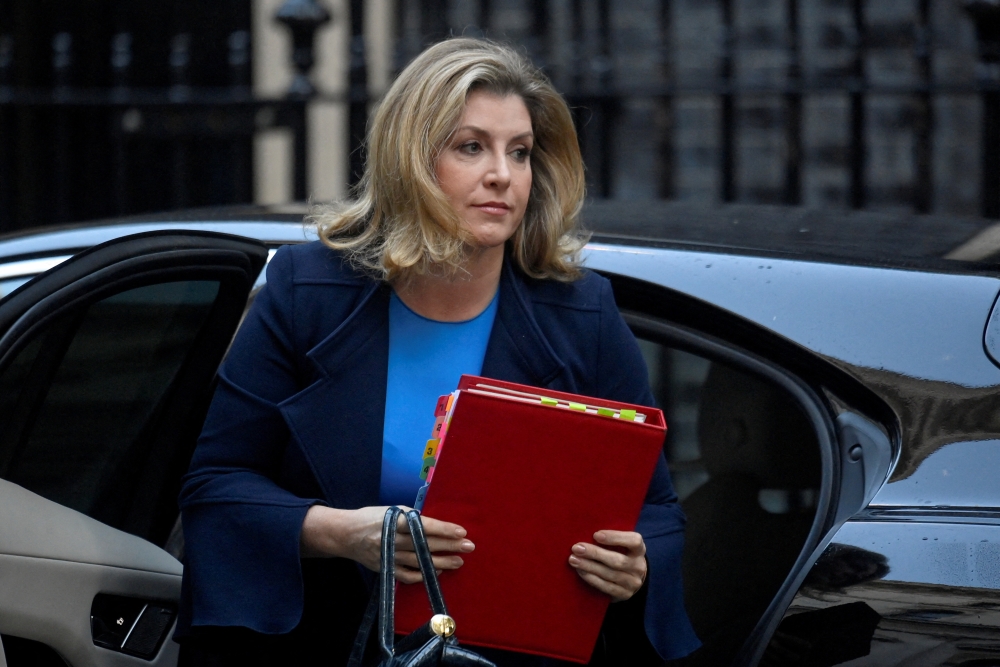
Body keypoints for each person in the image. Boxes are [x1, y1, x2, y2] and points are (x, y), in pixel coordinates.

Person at [174, 38, 699, 667]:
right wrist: (345, 534)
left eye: (521, 152)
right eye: (470, 146)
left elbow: (658, 510)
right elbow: (215, 489)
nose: (503, 174)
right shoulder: (306, 294)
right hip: (325, 643)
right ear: (412, 161)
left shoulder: (582, 314)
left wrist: (633, 561)